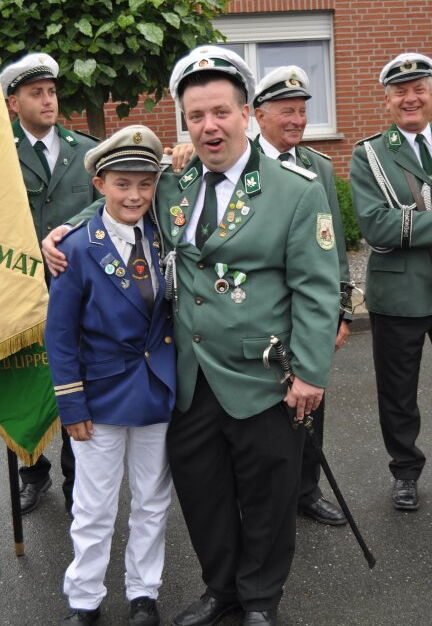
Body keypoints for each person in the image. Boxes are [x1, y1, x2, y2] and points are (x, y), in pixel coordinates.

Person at [42, 45, 340, 626]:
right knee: (203, 494)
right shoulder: (175, 183)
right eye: (196, 115)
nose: (209, 126)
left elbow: (317, 289)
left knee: (267, 495)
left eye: (221, 112)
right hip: (187, 377)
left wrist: (309, 374)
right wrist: (65, 230)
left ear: (246, 113)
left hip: (263, 376)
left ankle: (260, 600)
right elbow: (121, 205)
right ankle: (221, 590)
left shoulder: (295, 190)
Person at [45, 125, 176, 626]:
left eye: (145, 184)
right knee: (94, 506)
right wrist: (71, 403)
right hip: (98, 397)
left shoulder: (165, 237)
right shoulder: (76, 247)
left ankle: (144, 592)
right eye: (122, 184)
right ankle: (84, 597)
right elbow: (60, 334)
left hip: (157, 390)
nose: (135, 195)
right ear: (100, 184)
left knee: (152, 501)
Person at [0, 52, 100, 515]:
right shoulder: (3, 157)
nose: (48, 100)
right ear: (13, 104)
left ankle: (76, 478)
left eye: (52, 92)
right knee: (27, 378)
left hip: (76, 290)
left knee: (77, 380)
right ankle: (32, 472)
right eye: (36, 93)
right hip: (22, 291)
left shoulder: (87, 152)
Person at [253, 65, 351, 526]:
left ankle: (306, 491)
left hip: (307, 311)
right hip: (259, 312)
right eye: (286, 111)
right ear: (259, 115)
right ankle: (263, 498)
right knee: (259, 409)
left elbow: (334, 248)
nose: (297, 120)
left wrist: (340, 312)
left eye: (302, 111)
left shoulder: (318, 167)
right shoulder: (240, 162)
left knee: (311, 403)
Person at [350, 52, 432, 512]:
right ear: (387, 100)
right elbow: (377, 226)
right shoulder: (370, 154)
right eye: (400, 91)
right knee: (398, 394)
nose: (410, 98)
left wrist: (416, 222)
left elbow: (398, 222)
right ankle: (405, 471)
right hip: (400, 294)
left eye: (419, 88)